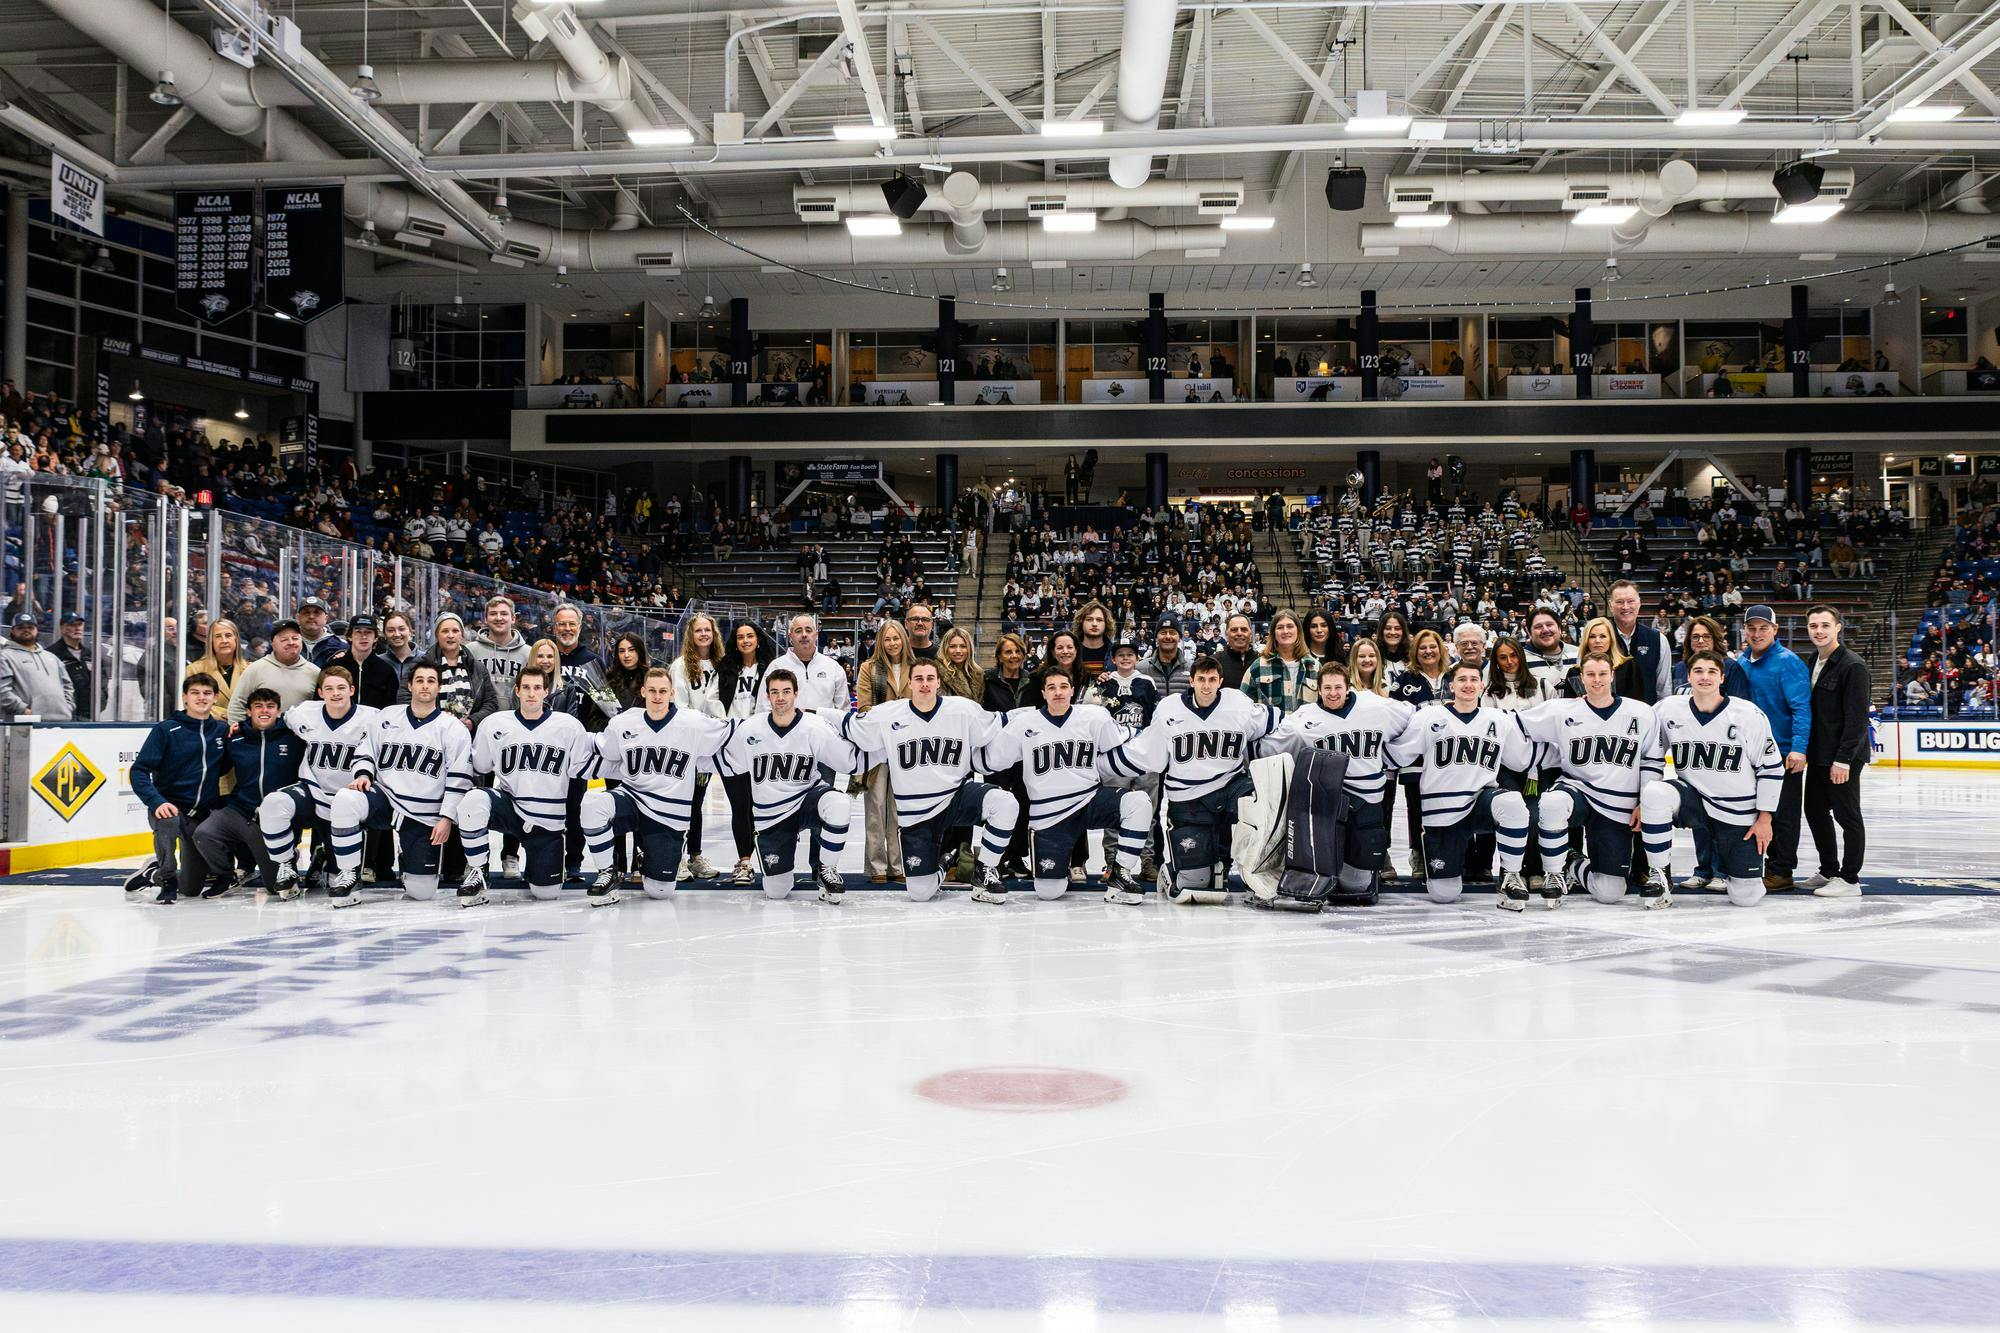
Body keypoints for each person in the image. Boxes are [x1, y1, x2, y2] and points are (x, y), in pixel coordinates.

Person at [1100, 654, 1281, 903]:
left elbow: (1276, 722)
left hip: (1231, 787)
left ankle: (1259, 867)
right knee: (1193, 884)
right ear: (1192, 682)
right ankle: (1175, 871)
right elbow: (1147, 751)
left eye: (1212, 679)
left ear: (1221, 681)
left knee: (1264, 802)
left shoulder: (1237, 703)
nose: (1206, 685)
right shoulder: (1169, 709)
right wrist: (1100, 765)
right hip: (1188, 799)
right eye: (1201, 679)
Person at [839, 657, 1019, 903]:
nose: (925, 684)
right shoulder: (888, 714)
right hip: (916, 814)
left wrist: (1037, 715)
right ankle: (945, 862)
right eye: (919, 679)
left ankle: (984, 871)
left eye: (930, 679)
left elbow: (1002, 721)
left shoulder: (962, 709)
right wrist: (811, 713)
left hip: (954, 797)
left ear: (938, 683)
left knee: (1005, 803)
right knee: (920, 893)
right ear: (910, 683)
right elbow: (849, 725)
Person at [986, 664, 1148, 903]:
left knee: (1138, 802)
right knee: (1049, 891)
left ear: (1073, 690)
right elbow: (994, 759)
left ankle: (1120, 873)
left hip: (1089, 800)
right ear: (1043, 693)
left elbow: (1120, 737)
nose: (1058, 692)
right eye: (1051, 687)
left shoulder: (1094, 716)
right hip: (1049, 814)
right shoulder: (1025, 723)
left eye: (1063, 686)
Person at [578, 664, 736, 905]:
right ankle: (607, 873)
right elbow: (605, 749)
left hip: (668, 813)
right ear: (643, 692)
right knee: (593, 803)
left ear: (672, 693)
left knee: (661, 891)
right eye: (652, 691)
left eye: (663, 691)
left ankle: (648, 859)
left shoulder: (693, 722)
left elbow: (731, 733)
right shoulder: (624, 722)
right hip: (632, 798)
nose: (657, 696)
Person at [1520, 653, 1667, 910]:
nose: (1597, 680)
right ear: (1582, 677)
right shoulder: (1562, 710)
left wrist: (1644, 801)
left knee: (1611, 891)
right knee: (1552, 801)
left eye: (1602, 674)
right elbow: (1515, 725)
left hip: (1617, 804)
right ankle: (1553, 873)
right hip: (1577, 790)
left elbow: (1652, 761)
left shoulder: (1641, 712)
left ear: (1612, 675)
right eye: (1590, 674)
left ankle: (1573, 862)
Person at [324, 659, 475, 908]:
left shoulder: (452, 728)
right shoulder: (387, 716)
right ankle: (348, 873)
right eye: (420, 681)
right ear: (410, 685)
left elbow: (459, 778)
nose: (425, 686)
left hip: (423, 814)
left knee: (422, 891)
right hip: (386, 799)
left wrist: (447, 818)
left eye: (431, 681)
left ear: (439, 688)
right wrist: (363, 774)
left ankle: (410, 857)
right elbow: (365, 750)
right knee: (345, 799)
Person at [1382, 661, 1535, 907]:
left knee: (1512, 802)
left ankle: (1511, 875)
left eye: (1474, 679)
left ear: (1482, 685)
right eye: (1462, 680)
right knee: (1444, 894)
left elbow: (1521, 760)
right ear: (1450, 686)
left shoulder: (1498, 719)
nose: (1468, 685)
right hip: (1441, 811)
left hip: (1480, 803)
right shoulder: (1430, 716)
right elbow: (1399, 754)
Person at [1638, 649, 1783, 908]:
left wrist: (1765, 818)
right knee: (1654, 794)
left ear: (1722, 677)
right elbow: (1648, 750)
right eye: (1698, 671)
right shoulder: (1668, 709)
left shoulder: (1747, 714)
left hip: (1736, 808)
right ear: (1688, 677)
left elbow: (1771, 768)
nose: (1705, 677)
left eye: (1712, 672)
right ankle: (1659, 875)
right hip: (1693, 799)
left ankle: (1736, 870)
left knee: (1746, 897)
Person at [1266, 660, 1412, 903]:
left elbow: (1413, 721)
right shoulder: (1304, 718)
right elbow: (1272, 746)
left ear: (1348, 687)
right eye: (1327, 688)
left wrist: (1392, 755)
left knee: (1357, 888)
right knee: (1327, 873)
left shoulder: (1377, 706)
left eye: (1338, 688)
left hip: (1368, 800)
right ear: (1319, 690)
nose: (1333, 694)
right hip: (1329, 804)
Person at [714, 668, 866, 902]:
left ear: (796, 694)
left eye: (786, 691)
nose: (780, 697)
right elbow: (727, 761)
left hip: (807, 798)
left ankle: (827, 871)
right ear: (767, 696)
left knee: (838, 804)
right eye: (775, 692)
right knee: (776, 891)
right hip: (773, 815)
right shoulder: (750, 728)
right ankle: (782, 863)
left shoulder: (814, 725)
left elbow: (847, 760)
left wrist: (882, 748)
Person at [456, 665, 597, 906]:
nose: (532, 693)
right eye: (527, 688)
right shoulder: (495, 723)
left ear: (546, 692)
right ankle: (477, 872)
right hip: (510, 808)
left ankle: (540, 867)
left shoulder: (568, 726)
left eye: (537, 688)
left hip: (547, 820)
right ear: (517, 691)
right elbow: (480, 766)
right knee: (473, 799)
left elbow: (583, 768)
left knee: (546, 893)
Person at [254, 665, 379, 899]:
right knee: (273, 803)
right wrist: (240, 725)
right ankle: (287, 868)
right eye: (329, 688)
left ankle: (339, 866)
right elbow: (273, 722)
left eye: (341, 688)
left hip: (350, 798)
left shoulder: (371, 718)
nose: (336, 693)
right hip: (312, 791)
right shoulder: (304, 713)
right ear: (320, 692)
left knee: (338, 879)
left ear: (352, 690)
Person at [126, 673, 230, 905]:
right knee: (168, 821)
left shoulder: (221, 731)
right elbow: (138, 771)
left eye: (206, 693)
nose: (201, 698)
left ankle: (150, 873)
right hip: (169, 806)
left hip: (201, 814)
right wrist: (156, 801)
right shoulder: (166, 730)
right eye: (195, 693)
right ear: (185, 698)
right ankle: (167, 880)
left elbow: (226, 765)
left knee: (192, 888)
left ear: (215, 698)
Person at [190, 685, 300, 897]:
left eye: (270, 706)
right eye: (258, 706)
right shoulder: (236, 739)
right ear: (249, 711)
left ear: (279, 711)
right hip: (240, 810)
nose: (264, 711)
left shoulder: (293, 738)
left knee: (274, 888)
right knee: (204, 833)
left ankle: (288, 856)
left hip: (274, 819)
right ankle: (226, 875)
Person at [1738, 604, 1812, 891]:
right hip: (1750, 754)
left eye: (1763, 628)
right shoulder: (1744, 662)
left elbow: (1801, 709)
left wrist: (1799, 748)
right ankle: (1757, 865)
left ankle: (1781, 871)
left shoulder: (1788, 662)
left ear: (1775, 630)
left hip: (1782, 753)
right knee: (1755, 812)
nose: (1757, 633)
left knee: (1784, 815)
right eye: (1752, 628)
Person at [1802, 605, 1870, 897]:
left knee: (1847, 815)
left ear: (1837, 627)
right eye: (1814, 626)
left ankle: (1850, 879)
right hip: (1818, 754)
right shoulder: (1812, 661)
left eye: (1824, 625)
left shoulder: (1852, 666)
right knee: (1815, 810)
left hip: (1843, 757)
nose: (1819, 631)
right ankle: (1829, 869)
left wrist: (1843, 759)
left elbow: (1857, 718)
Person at [714, 619, 773, 885]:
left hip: (764, 747)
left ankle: (773, 859)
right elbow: (710, 699)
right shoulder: (725, 668)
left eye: (750, 636)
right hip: (733, 746)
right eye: (740, 637)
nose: (745, 641)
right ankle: (745, 862)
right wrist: (729, 724)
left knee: (765, 807)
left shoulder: (771, 668)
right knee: (740, 806)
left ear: (758, 639)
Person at [855, 619, 912, 882]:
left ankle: (899, 866)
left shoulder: (916, 667)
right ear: (881, 641)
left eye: (896, 638)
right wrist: (895, 715)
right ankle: (877, 866)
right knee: (875, 807)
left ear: (904, 639)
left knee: (901, 808)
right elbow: (864, 709)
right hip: (877, 747)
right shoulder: (869, 669)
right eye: (887, 639)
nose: (892, 643)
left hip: (908, 749)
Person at [670, 613, 726, 880]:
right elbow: (679, 707)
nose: (704, 634)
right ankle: (677, 856)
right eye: (698, 630)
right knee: (683, 801)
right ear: (690, 636)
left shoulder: (722, 664)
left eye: (708, 630)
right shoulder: (680, 666)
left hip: (712, 746)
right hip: (688, 745)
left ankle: (694, 856)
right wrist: (702, 728)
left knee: (698, 802)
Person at [227, 620, 321, 724]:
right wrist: (240, 733)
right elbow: (237, 705)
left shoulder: (314, 672)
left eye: (295, 638)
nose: (291, 642)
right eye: (284, 639)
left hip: (302, 737)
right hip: (263, 737)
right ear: (273, 644)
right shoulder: (256, 669)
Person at [766, 612, 851, 714]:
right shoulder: (776, 667)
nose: (804, 634)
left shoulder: (833, 668)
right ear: (790, 636)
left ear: (816, 635)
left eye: (808, 630)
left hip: (824, 729)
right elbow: (764, 709)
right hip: (786, 729)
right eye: (798, 631)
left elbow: (843, 712)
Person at [0, 612, 74, 721]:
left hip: (61, 721)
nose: (26, 630)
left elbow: (68, 686)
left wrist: (67, 707)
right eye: (20, 627)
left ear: (37, 630)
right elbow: (2, 690)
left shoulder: (52, 657)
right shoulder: (4, 656)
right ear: (13, 631)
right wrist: (24, 711)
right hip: (25, 725)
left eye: (30, 627)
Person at [1242, 609, 1319, 713]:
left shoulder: (1315, 667)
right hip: (1272, 729)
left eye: (1290, 626)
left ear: (1298, 631)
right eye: (1280, 627)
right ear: (1273, 633)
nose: (1285, 631)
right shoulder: (1258, 667)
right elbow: (1243, 708)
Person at [1608, 580, 1673, 703]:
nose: (1626, 607)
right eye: (1619, 602)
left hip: (1647, 715)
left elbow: (1664, 688)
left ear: (1639, 603)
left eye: (1631, 601)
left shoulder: (1658, 640)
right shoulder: (1599, 638)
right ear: (1611, 606)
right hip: (1608, 718)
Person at [323, 614, 400, 710]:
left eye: (368, 632)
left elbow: (390, 709)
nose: (363, 636)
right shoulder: (332, 667)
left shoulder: (386, 671)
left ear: (375, 638)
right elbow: (321, 701)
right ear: (349, 636)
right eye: (358, 632)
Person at [468, 595, 533, 709]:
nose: (498, 618)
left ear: (513, 618)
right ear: (486, 619)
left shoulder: (528, 653)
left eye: (504, 613)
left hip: (516, 720)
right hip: (478, 719)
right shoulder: (471, 650)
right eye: (493, 614)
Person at [46, 611, 95, 720]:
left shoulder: (91, 654)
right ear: (62, 629)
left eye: (80, 625)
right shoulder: (51, 654)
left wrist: (99, 702)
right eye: (72, 625)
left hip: (89, 714)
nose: (77, 628)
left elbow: (102, 681)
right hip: (63, 715)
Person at [1139, 617, 1194, 697]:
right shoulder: (1140, 669)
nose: (1168, 636)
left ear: (1179, 638)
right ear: (1156, 638)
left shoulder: (1193, 668)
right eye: (1163, 633)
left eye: (1172, 633)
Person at [295, 596, 348, 668]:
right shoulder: (287, 645)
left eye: (317, 612)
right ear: (298, 618)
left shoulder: (342, 647)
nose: (311, 616)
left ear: (325, 618)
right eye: (306, 612)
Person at [1215, 614, 1257, 689]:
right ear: (1226, 634)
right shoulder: (1214, 662)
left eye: (1244, 629)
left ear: (1250, 633)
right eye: (1234, 630)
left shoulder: (1262, 662)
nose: (1239, 633)